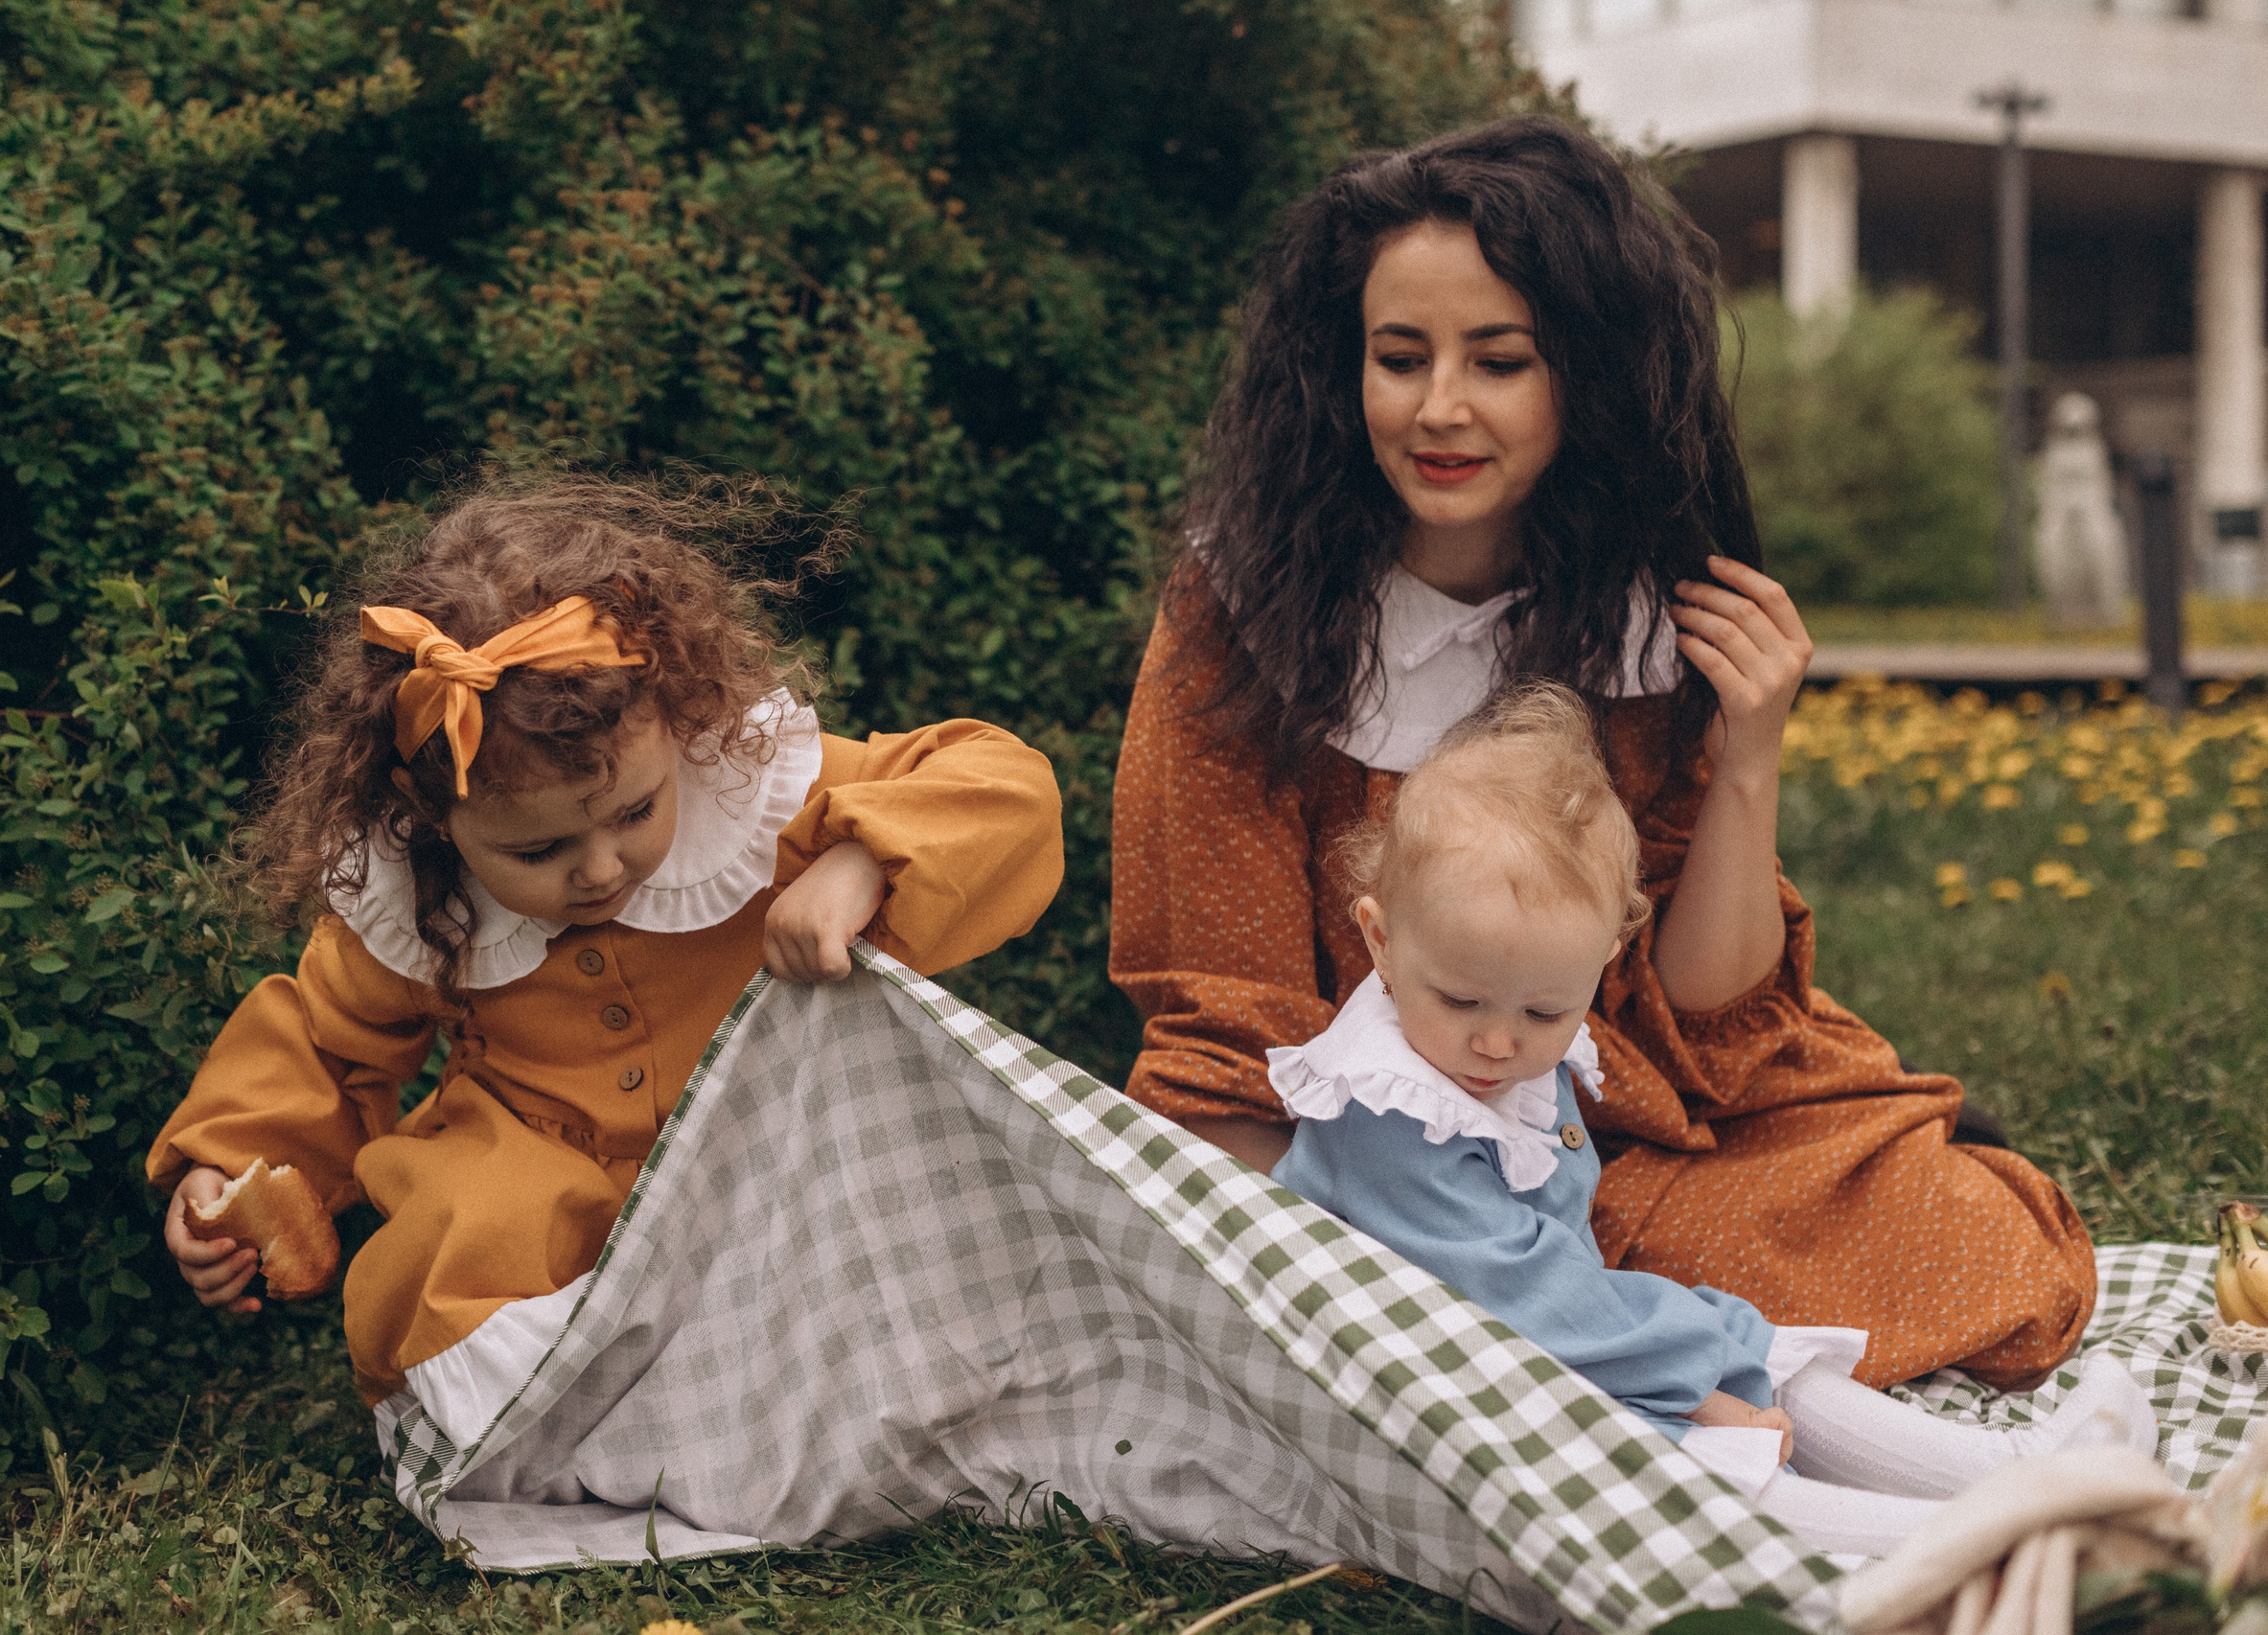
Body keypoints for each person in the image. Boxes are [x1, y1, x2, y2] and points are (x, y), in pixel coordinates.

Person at [1108, 114, 2097, 1390]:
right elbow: (1219, 1011)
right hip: (1361, 1164)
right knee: (1415, 1290)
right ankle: (1605, 1333)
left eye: (1500, 361)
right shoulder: (1243, 617)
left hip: (1620, 1138)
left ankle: (1618, 1331)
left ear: (1585, 374)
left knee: (1965, 1245)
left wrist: (1748, 757)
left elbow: (1713, 1020)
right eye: (1399, 358)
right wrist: (1304, 1268)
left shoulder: (1648, 613)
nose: (1441, 409)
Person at [150, 472, 1065, 1405]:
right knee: (452, 1238)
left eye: (634, 811)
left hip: (777, 1152)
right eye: (538, 847)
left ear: (673, 722)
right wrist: (231, 1166)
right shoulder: (422, 893)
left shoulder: (749, 790)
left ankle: (762, 1399)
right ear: (433, 815)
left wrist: (858, 861)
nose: (598, 869)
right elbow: (325, 1039)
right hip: (545, 1170)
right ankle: (557, 1427)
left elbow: (1000, 786)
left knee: (910, 1240)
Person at [1266, 683, 2150, 1556]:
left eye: (1544, 1013)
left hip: (1529, 1346)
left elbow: (1561, 1281)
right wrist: (1696, 1390)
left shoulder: (1484, 1050)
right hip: (1433, 1389)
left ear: (1604, 959)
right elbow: (1523, 1298)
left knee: (1738, 1337)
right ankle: (1987, 1538)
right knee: (1673, 1464)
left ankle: (2013, 1469)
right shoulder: (1386, 1112)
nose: (1498, 1042)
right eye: (1460, 998)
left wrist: (1703, 1361)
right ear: (1380, 940)